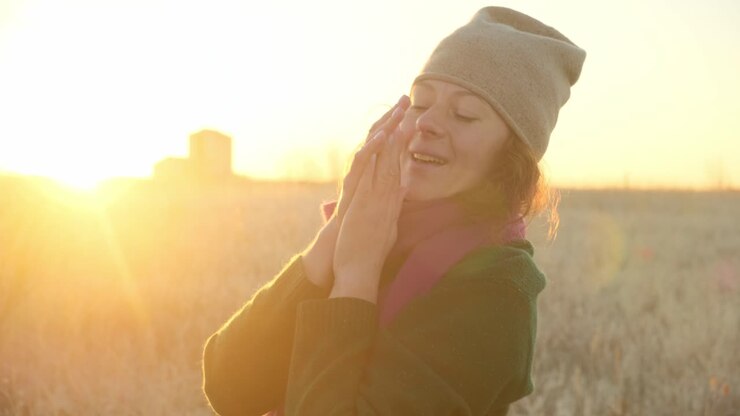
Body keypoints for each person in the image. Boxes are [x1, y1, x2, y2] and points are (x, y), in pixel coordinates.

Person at [202, 6, 586, 415]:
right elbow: (230, 388)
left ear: (510, 157)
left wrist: (356, 275)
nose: (429, 124)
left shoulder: (497, 287)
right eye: (421, 104)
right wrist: (337, 232)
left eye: (464, 114)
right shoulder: (375, 230)